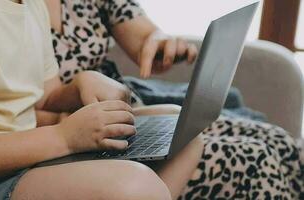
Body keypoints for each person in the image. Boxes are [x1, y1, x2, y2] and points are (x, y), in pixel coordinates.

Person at [44, 0, 304, 199]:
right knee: (256, 160)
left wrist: (159, 43)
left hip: (128, 111)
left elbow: (143, 34)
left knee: (280, 142)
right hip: (91, 133)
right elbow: (29, 111)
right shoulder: (15, 13)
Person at [0, 0, 206, 200]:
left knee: (179, 130)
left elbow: (45, 99)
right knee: (135, 185)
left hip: (31, 158)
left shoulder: (31, 6)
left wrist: (83, 81)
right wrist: (63, 138)